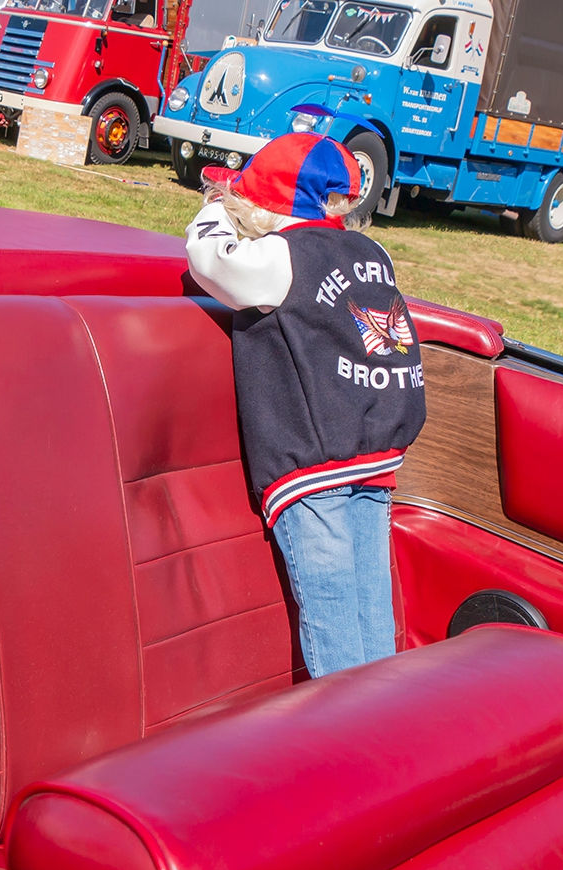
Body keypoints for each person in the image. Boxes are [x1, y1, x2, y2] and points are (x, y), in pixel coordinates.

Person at [184, 133, 426, 677]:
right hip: (376, 452)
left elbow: (208, 260)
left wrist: (216, 211)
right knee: (371, 613)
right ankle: (387, 728)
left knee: (334, 621)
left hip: (314, 466)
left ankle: (348, 746)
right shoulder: (373, 252)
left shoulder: (278, 256)